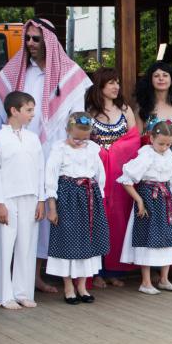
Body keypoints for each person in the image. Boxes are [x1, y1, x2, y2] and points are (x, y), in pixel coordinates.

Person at [0, 19, 92, 292]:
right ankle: (17, 279)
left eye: (36, 39)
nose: (30, 43)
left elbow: (76, 117)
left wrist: (74, 147)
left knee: (46, 213)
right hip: (19, 151)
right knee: (21, 214)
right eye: (28, 38)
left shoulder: (69, 74)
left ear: (49, 41)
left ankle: (41, 274)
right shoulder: (17, 70)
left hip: (55, 152)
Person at [0, 92, 45, 311]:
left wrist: (41, 199)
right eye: (28, 110)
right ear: (14, 111)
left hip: (30, 196)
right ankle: (4, 294)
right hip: (7, 198)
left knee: (26, 246)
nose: (32, 114)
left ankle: (23, 292)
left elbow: (40, 170)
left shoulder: (33, 138)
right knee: (5, 245)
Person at [44, 113, 109, 305]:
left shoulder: (92, 149)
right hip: (67, 198)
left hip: (89, 197)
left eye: (84, 138)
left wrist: (98, 198)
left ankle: (82, 285)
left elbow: (100, 175)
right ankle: (68, 287)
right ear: (67, 131)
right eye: (76, 138)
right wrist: (52, 207)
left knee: (88, 241)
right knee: (68, 240)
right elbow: (50, 178)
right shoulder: (59, 150)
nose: (80, 142)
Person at [85, 67, 140, 288]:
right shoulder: (90, 112)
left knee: (118, 219)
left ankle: (114, 270)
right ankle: (96, 271)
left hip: (119, 175)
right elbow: (85, 142)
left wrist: (114, 151)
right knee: (97, 219)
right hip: (98, 175)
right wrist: (102, 153)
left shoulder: (125, 110)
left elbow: (134, 139)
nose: (116, 86)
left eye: (117, 82)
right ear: (100, 86)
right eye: (111, 83)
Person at [120, 121, 172, 295]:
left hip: (165, 201)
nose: (165, 148)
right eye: (161, 144)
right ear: (151, 138)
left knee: (168, 238)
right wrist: (139, 200)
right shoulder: (145, 156)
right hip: (149, 200)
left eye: (168, 144)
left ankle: (164, 279)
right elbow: (126, 180)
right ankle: (145, 282)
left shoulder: (168, 155)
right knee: (147, 238)